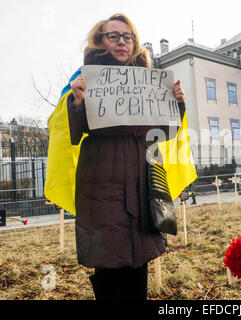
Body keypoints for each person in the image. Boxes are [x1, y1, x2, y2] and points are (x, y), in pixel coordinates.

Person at [67, 13, 185, 300]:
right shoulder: (86, 77)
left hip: (141, 183)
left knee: (139, 260)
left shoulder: (150, 80)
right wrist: (77, 102)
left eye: (127, 36)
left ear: (134, 43)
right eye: (114, 36)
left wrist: (177, 106)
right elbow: (73, 133)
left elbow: (163, 133)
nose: (122, 42)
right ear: (101, 40)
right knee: (109, 262)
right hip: (101, 185)